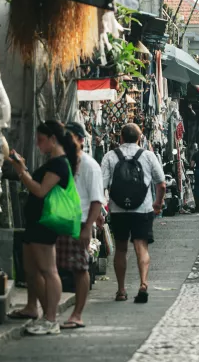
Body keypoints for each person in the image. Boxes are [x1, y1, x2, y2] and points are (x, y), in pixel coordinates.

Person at [9, 120, 79, 336]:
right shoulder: (54, 161)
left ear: (53, 139)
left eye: (41, 140)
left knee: (48, 270)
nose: (38, 145)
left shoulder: (59, 163)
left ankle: (51, 318)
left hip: (44, 223)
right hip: (35, 222)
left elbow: (40, 190)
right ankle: (33, 308)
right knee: (31, 270)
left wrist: (22, 172)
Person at [101, 123, 165, 303]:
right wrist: (157, 204)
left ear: (120, 138)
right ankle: (143, 284)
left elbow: (102, 185)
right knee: (141, 246)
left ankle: (121, 290)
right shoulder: (148, 156)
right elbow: (161, 183)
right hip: (142, 209)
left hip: (118, 209)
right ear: (140, 137)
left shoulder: (110, 156)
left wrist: (101, 209)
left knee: (121, 249)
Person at [56, 123, 104, 329]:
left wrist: (87, 228)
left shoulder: (89, 165)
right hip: (59, 221)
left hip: (79, 222)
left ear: (80, 140)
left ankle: (77, 314)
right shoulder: (62, 161)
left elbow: (96, 200)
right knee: (54, 268)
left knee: (80, 268)